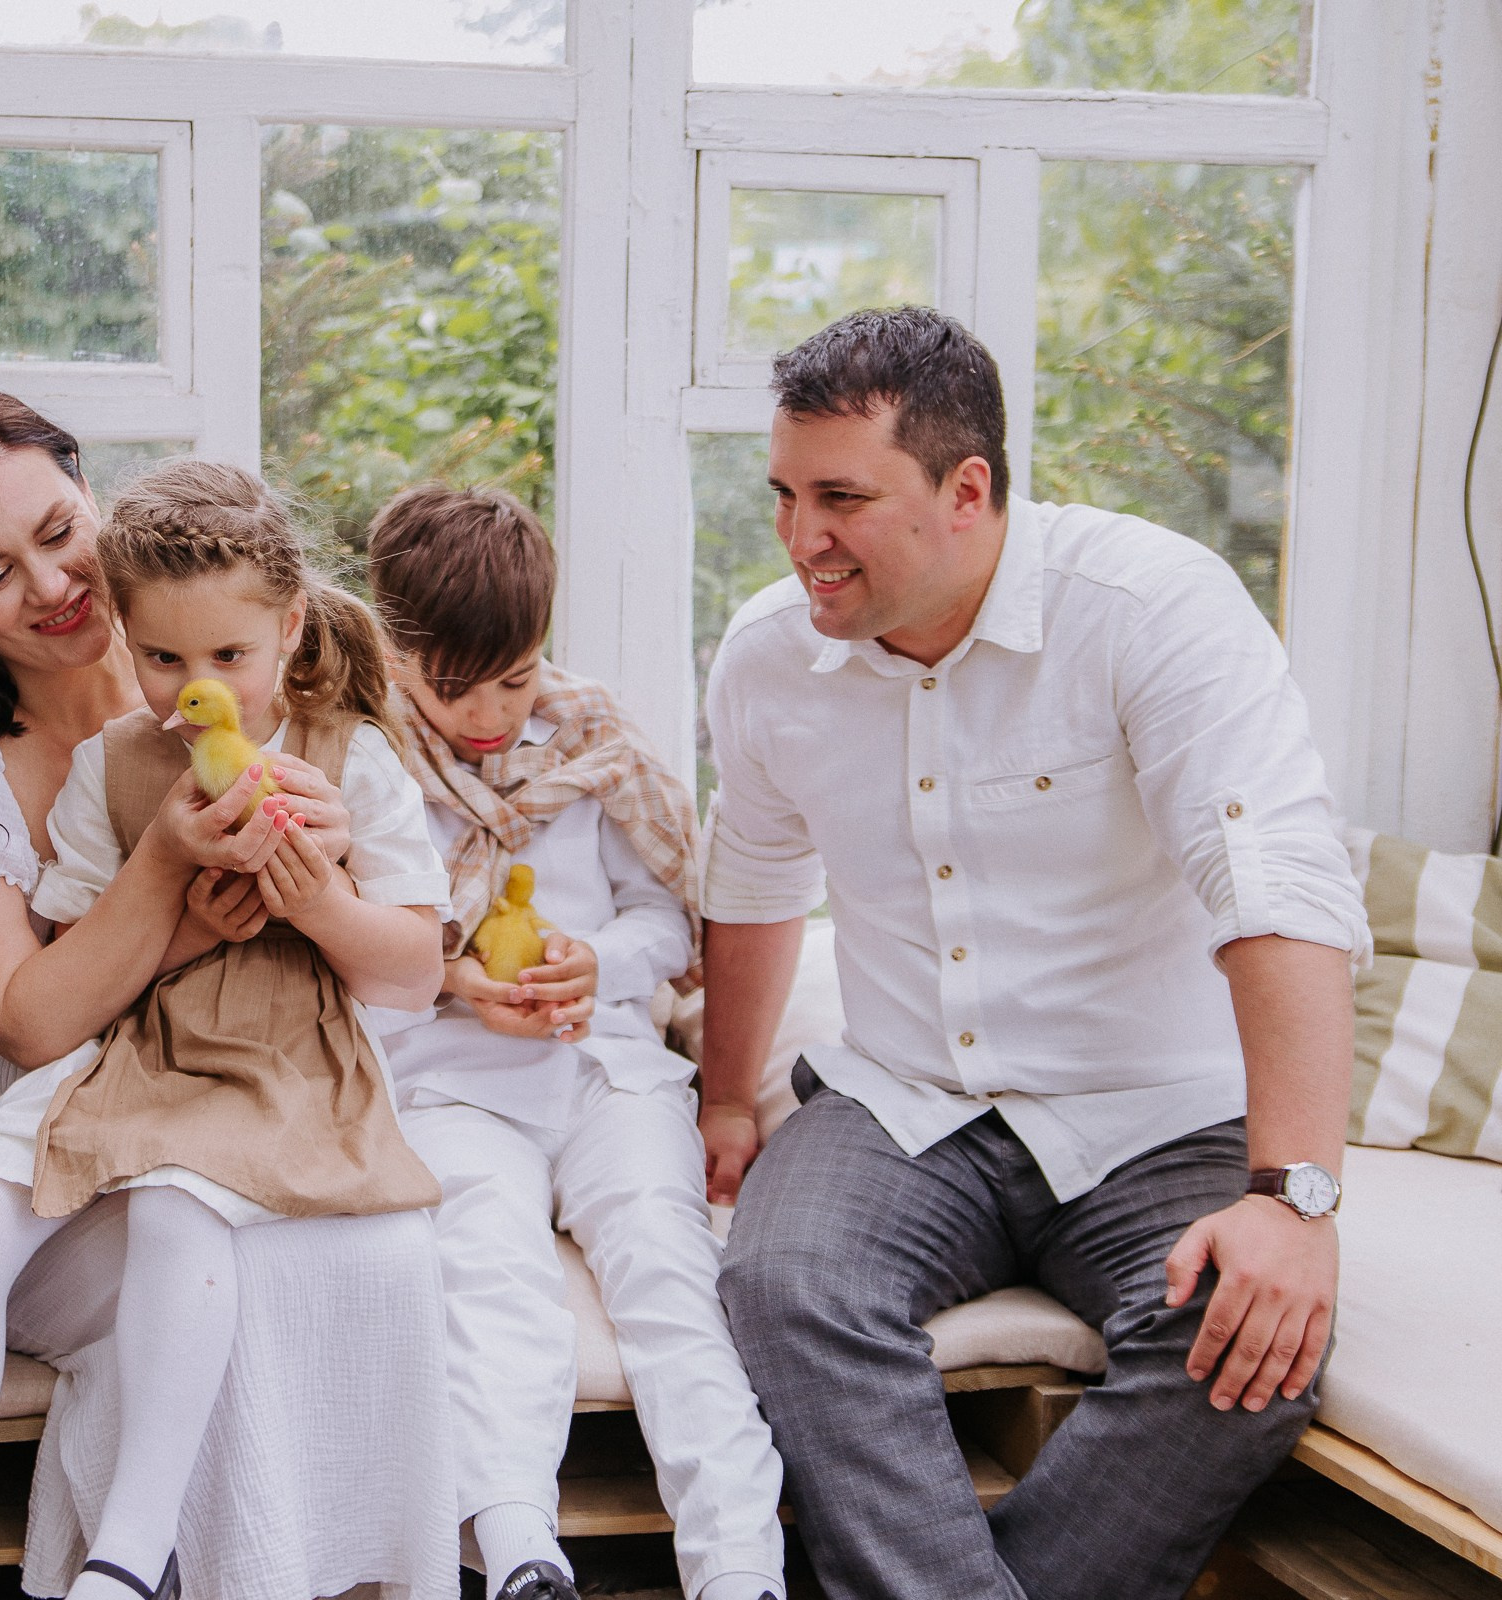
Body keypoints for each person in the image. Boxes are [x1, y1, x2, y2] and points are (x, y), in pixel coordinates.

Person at [698, 306, 1369, 1600]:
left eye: (841, 499)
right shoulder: (768, 657)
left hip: (1158, 1113)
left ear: (968, 490)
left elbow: (1275, 884)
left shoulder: (1150, 607)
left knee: (1251, 1338)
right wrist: (729, 1094)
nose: (798, 538)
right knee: (781, 1284)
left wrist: (1295, 1202)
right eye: (783, 493)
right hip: (900, 1102)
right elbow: (755, 875)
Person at [0, 391, 462, 1600]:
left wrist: (320, 890)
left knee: (222, 1248)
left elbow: (404, 950)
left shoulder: (225, 655)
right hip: (59, 1092)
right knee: (52, 1238)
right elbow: (38, 1010)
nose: (52, 587)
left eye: (59, 534)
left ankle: (167, 1566)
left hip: (249, 1087)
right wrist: (174, 877)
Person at [364, 485, 786, 1600]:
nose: (491, 714)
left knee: (670, 1274)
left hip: (608, 1074)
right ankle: (519, 1551)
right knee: (492, 1276)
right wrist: (455, 981)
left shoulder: (592, 734)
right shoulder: (361, 763)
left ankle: (741, 1567)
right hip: (450, 1087)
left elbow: (665, 919)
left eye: (515, 677)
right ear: (395, 649)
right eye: (456, 684)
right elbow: (344, 965)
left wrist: (601, 959)